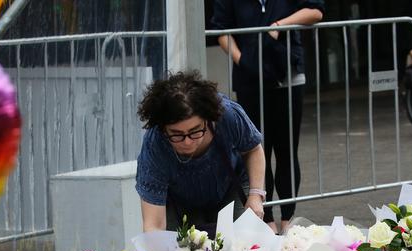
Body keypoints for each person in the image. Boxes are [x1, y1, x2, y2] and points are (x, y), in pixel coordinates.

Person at [211, 0, 324, 233]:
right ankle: (267, 218)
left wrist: (278, 25)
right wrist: (242, 60)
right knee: (258, 147)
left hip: (287, 75)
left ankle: (288, 217)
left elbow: (315, 12)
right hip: (250, 80)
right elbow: (221, 30)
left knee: (287, 150)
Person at [135, 71, 266, 233]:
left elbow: (253, 149)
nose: (188, 141)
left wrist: (256, 194)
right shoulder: (155, 145)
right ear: (162, 129)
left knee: (243, 243)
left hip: (231, 187)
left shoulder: (228, 115)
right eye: (177, 134)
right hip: (180, 200)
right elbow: (153, 225)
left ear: (208, 119)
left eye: (195, 131)